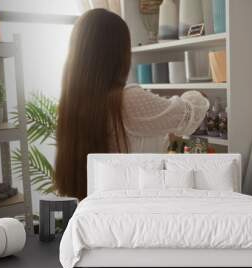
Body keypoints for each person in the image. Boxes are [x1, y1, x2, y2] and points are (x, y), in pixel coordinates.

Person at [55, 9, 209, 200]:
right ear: (118, 54)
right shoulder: (128, 99)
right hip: (134, 208)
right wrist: (198, 94)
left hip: (96, 210)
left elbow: (134, 135)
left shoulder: (73, 101)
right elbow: (189, 115)